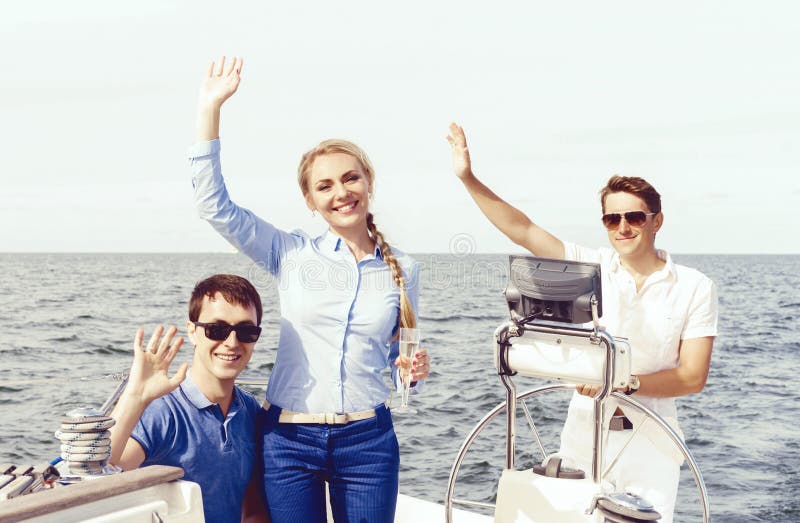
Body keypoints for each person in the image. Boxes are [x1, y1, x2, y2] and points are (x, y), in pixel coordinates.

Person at [188, 56, 431, 523]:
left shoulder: (405, 270)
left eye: (350, 178)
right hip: (289, 441)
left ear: (368, 183)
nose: (341, 192)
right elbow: (214, 207)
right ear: (311, 201)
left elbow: (402, 363)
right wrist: (209, 109)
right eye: (325, 186)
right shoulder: (290, 254)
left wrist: (412, 371)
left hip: (368, 443)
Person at [447, 123, 718, 522]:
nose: (623, 227)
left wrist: (625, 383)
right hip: (582, 432)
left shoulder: (695, 286)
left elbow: (693, 377)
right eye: (612, 220)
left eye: (634, 217)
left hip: (653, 443)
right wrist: (467, 178)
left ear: (656, 221)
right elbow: (522, 229)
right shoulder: (590, 267)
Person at [109, 274, 268, 523]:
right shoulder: (162, 409)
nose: (232, 342)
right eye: (218, 329)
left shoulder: (250, 410)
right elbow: (106, 473)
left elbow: (254, 507)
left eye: (246, 331)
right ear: (192, 331)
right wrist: (135, 396)